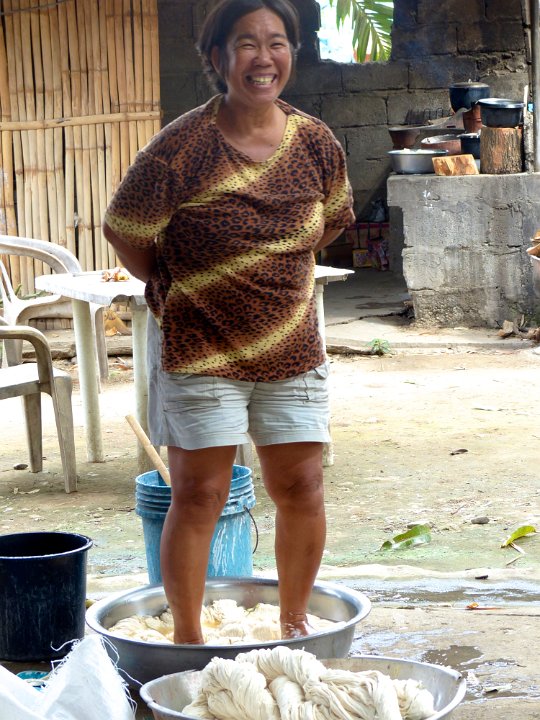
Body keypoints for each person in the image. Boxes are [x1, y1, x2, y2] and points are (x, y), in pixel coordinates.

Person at [102, 0, 354, 644]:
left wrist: (270, 268)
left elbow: (332, 221)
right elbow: (126, 230)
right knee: (198, 495)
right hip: (202, 347)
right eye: (246, 43)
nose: (263, 58)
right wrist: (185, 282)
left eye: (277, 42)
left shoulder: (315, 142)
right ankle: (187, 639)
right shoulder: (180, 147)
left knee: (301, 485)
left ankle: (294, 625)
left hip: (292, 348)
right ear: (217, 58)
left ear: (293, 53)